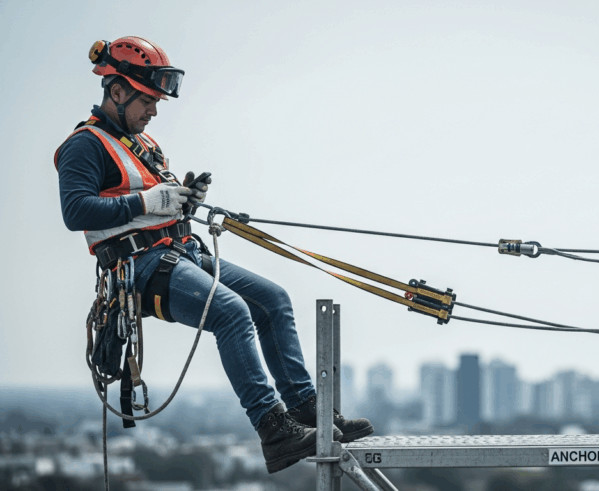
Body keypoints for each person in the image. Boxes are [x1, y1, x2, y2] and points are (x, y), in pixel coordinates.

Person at [54, 36, 373, 473]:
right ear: (117, 91)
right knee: (231, 311)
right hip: (139, 268)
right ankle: (273, 428)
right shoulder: (84, 146)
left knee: (272, 299)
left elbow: (153, 199)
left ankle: (305, 411)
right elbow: (76, 211)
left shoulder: (143, 146)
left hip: (178, 252)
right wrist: (149, 203)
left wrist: (181, 200)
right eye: (148, 100)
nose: (154, 110)